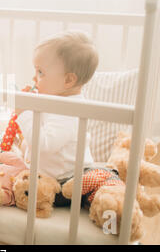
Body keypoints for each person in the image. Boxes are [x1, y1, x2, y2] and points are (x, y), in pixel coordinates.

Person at [15, 31, 99, 182]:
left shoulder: (69, 111)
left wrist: (23, 114)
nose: (34, 77)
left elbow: (43, 145)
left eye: (40, 72)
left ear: (68, 80)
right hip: (51, 175)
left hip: (66, 181)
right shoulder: (56, 99)